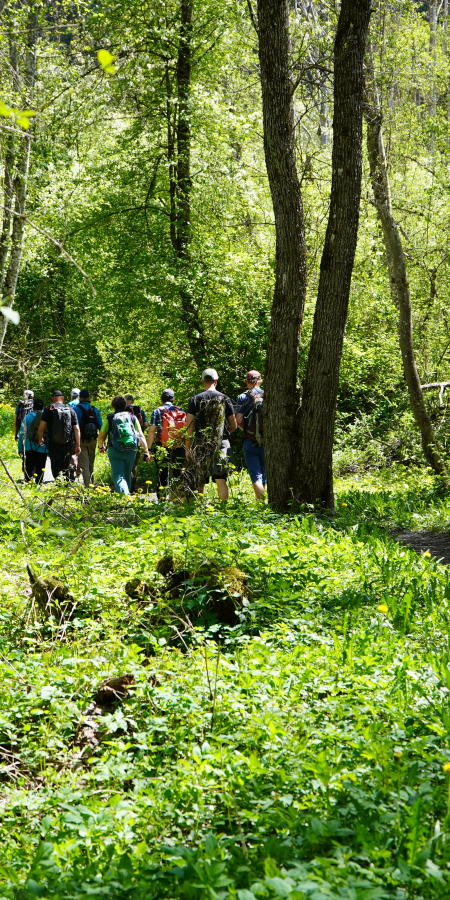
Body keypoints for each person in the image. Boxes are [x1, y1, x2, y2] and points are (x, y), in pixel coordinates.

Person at [185, 368, 236, 501]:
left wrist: (188, 447)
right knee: (220, 479)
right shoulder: (225, 398)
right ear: (216, 381)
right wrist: (222, 435)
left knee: (200, 478)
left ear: (202, 381)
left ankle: (199, 508)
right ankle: (223, 509)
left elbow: (189, 427)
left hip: (201, 442)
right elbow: (234, 425)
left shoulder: (194, 399)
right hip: (221, 443)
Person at [97, 395, 150, 494]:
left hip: (115, 450)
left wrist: (101, 447)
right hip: (131, 451)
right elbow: (140, 435)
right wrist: (146, 451)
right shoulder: (132, 417)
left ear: (113, 406)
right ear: (125, 405)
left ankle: (124, 499)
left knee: (118, 476)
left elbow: (100, 437)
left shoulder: (110, 418)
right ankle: (127, 498)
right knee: (127, 474)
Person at [147, 388, 186, 497]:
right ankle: (177, 499)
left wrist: (148, 450)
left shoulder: (157, 411)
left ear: (161, 399)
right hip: (178, 445)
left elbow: (151, 432)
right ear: (173, 399)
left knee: (162, 473)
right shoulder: (180, 410)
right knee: (178, 473)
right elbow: (186, 430)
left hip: (162, 446)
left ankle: (162, 500)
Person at [236, 369, 266, 500]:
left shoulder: (243, 397)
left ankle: (261, 504)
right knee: (264, 474)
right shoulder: (267, 395)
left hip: (250, 440)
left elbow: (238, 421)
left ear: (247, 382)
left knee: (256, 474)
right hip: (267, 441)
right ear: (260, 380)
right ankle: (264, 502)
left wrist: (247, 431)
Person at [38, 391, 80, 481]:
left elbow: (41, 428)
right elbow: (76, 429)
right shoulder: (70, 409)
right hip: (68, 443)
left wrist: (40, 438)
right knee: (66, 465)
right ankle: (66, 486)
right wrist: (78, 445)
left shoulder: (49, 408)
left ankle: (58, 485)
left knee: (56, 467)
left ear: (53, 398)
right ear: (63, 398)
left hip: (54, 443)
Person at [73, 389, 102, 488]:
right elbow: (100, 426)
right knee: (91, 463)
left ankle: (87, 487)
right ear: (89, 397)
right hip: (93, 439)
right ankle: (91, 484)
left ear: (80, 397)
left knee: (84, 464)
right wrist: (102, 442)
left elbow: (74, 427)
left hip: (80, 440)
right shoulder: (95, 409)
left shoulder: (76, 409)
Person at [17, 398, 48, 484]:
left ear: (33, 406)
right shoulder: (46, 418)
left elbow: (22, 433)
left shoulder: (27, 417)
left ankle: (28, 483)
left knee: (29, 467)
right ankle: (39, 484)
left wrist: (20, 448)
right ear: (42, 407)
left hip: (29, 447)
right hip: (42, 447)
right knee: (40, 467)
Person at [125, 394, 149, 491]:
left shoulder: (121, 410)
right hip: (137, 440)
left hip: (125, 440)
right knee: (134, 463)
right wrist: (140, 430)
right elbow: (146, 424)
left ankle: (126, 484)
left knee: (124, 463)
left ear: (125, 401)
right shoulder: (139, 410)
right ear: (132, 401)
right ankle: (133, 482)